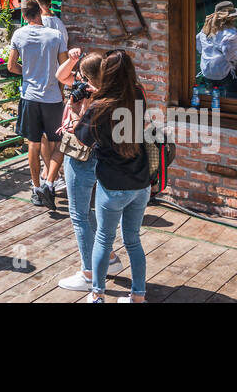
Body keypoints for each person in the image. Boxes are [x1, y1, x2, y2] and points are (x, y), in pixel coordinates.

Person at [78, 50, 152, 302]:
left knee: (103, 239)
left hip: (112, 186)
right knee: (133, 241)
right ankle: (138, 296)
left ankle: (97, 295)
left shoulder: (101, 106)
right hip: (141, 183)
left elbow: (82, 138)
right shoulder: (139, 95)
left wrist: (83, 104)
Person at [54, 49, 124, 292]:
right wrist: (72, 61)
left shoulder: (96, 98)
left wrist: (74, 110)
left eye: (82, 75)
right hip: (100, 158)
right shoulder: (111, 91)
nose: (78, 80)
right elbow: (60, 75)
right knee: (89, 211)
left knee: (79, 215)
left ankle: (89, 272)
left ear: (91, 76)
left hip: (81, 156)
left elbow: (81, 133)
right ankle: (111, 259)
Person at [7, 0, 69, 206]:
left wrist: (26, 74)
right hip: (52, 97)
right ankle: (49, 182)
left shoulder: (19, 34)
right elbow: (63, 70)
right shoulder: (56, 36)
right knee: (59, 142)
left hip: (29, 96)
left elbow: (11, 66)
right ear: (41, 13)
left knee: (33, 143)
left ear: (24, 16)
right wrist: (60, 91)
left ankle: (36, 188)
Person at [32, 0, 69, 193]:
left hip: (42, 84)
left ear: (36, 3)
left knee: (44, 136)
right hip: (58, 83)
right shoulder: (60, 24)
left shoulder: (40, 25)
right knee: (55, 134)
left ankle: (49, 175)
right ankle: (54, 174)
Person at [197, 1, 237, 99]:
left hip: (207, 71)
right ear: (230, 18)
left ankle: (213, 113)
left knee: (211, 99)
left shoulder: (204, 30)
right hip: (224, 73)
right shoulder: (230, 33)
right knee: (230, 101)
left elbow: (199, 48)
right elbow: (231, 56)